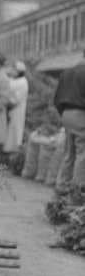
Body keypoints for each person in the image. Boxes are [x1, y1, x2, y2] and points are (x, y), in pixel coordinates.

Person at [54, 49, 85, 189]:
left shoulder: (67, 72)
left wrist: (64, 113)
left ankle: (61, 187)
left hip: (66, 113)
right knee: (82, 153)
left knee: (69, 153)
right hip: (81, 114)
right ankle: (77, 190)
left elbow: (57, 98)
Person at [3, 60, 29, 155]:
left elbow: (16, 100)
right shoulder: (13, 80)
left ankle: (12, 155)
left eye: (14, 69)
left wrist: (6, 101)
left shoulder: (23, 82)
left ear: (18, 71)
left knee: (14, 133)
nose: (12, 71)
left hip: (15, 110)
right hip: (8, 110)